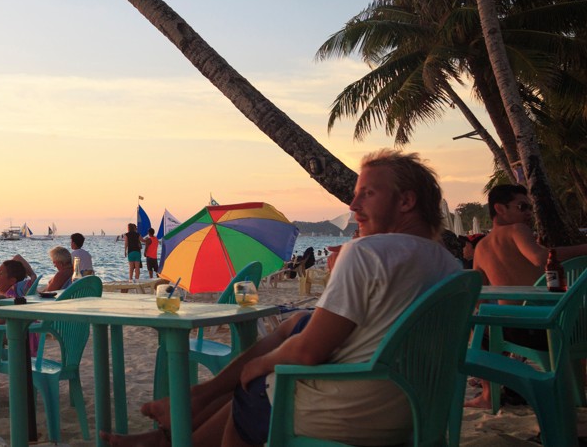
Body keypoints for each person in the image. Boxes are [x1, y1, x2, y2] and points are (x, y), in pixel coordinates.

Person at [109, 149, 459, 447]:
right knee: (295, 328)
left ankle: (182, 425)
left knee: (255, 385)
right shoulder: (449, 265)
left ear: (407, 200)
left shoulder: (367, 253)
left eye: (367, 193)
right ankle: (172, 431)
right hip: (416, 409)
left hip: (352, 410)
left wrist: (252, 367)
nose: (353, 204)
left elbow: (308, 353)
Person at [465, 183, 587, 408]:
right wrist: (583, 249)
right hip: (555, 326)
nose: (528, 213)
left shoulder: (481, 247)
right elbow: (539, 258)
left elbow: (477, 295)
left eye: (529, 208)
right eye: (522, 207)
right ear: (500, 209)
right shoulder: (517, 230)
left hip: (515, 331)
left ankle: (488, 396)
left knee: (480, 328)